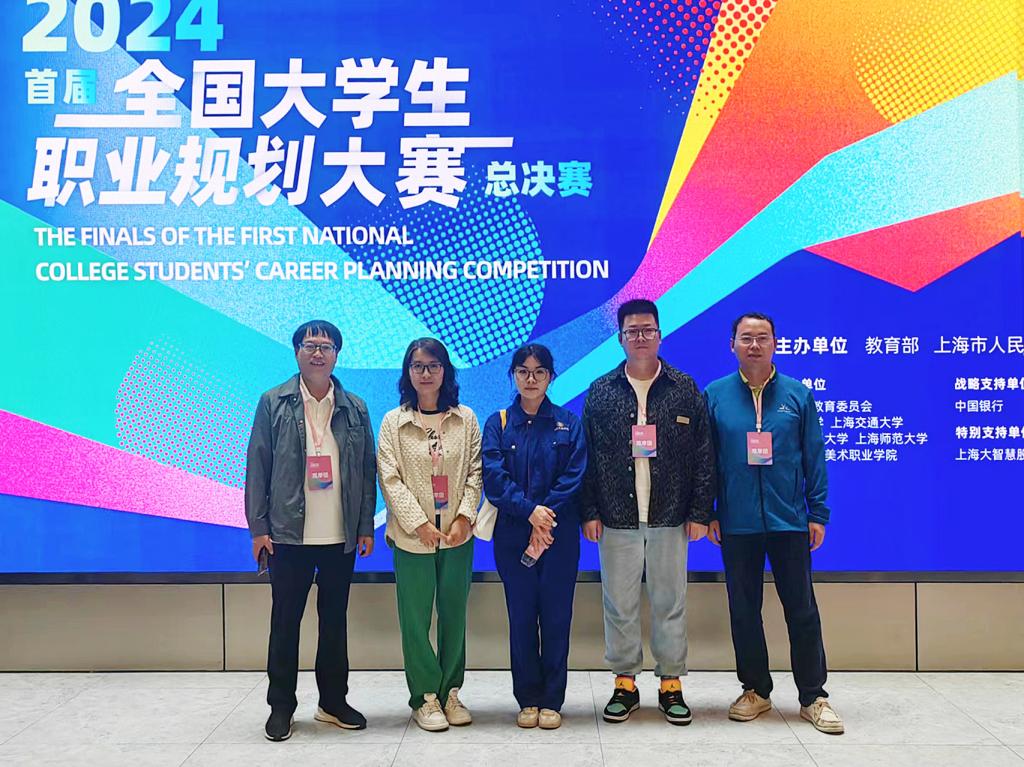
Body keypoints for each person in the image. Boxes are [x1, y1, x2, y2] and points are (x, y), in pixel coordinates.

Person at [703, 312, 844, 734]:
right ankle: (756, 690)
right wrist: (709, 512)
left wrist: (818, 513)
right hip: (737, 522)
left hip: (790, 521)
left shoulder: (798, 395)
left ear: (775, 344)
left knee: (801, 610)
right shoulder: (715, 395)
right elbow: (706, 461)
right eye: (746, 338)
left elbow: (814, 457)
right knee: (744, 611)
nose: (754, 345)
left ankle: (813, 696)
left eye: (762, 338)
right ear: (732, 344)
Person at [581, 299, 715, 725]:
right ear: (620, 339)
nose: (640, 337)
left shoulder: (684, 388)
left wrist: (700, 511)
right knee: (618, 603)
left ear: (660, 334)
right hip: (615, 515)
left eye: (647, 330)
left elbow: (704, 454)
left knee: (670, 601)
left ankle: (671, 683)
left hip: (671, 515)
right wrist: (589, 510)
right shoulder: (601, 391)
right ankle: (625, 682)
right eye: (632, 331)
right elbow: (586, 456)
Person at [245, 320, 377, 742]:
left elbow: (367, 470)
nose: (318, 352)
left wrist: (365, 525)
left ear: (337, 354)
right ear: (297, 352)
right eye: (309, 345)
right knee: (285, 623)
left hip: (339, 535)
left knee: (334, 623)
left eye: (326, 346)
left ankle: (333, 702)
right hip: (287, 535)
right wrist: (258, 527)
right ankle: (281, 707)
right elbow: (257, 466)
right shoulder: (273, 402)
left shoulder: (355, 407)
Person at [377, 338, 483, 732]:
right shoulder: (393, 422)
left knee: (454, 614)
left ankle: (450, 690)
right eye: (418, 366)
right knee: (415, 618)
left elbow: (475, 471)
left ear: (445, 371)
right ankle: (425, 696)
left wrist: (464, 517)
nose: (426, 373)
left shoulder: (465, 418)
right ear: (408, 372)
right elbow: (389, 477)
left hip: (456, 536)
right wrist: (418, 523)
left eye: (433, 366)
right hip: (412, 537)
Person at [482, 343, 587, 730]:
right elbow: (494, 477)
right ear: (513, 375)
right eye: (523, 371)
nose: (531, 379)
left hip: (559, 536)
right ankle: (527, 698)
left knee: (557, 618)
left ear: (551, 377)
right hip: (513, 536)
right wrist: (529, 511)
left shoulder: (568, 422)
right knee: (522, 617)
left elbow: (575, 475)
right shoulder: (498, 423)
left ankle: (552, 700)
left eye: (539, 372)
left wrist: (544, 516)